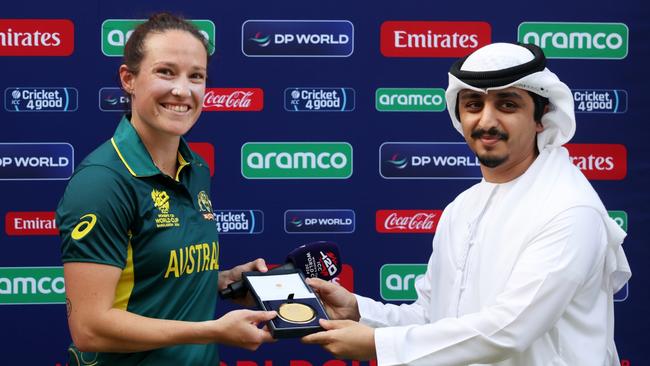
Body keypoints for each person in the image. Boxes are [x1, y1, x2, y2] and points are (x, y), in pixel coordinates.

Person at [302, 42, 631, 365]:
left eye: (507, 105)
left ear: (540, 117)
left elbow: (509, 329)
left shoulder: (568, 209)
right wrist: (359, 311)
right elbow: (434, 319)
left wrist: (376, 343)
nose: (487, 121)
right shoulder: (462, 208)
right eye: (473, 105)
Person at [56, 13, 276, 366]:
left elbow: (153, 277)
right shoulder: (102, 182)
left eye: (196, 76)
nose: (182, 90)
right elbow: (89, 328)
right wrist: (214, 330)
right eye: (166, 72)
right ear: (128, 79)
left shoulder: (196, 168)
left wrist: (220, 281)